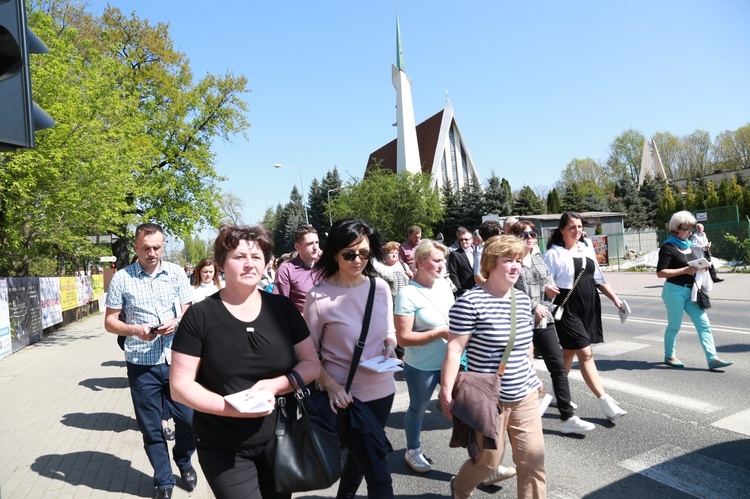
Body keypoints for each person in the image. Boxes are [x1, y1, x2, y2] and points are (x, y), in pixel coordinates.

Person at [170, 225, 321, 499]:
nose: (250, 264)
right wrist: (230, 408)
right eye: (239, 257)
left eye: (257, 256)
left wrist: (276, 385)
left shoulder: (283, 309)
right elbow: (180, 386)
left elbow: (311, 364)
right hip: (223, 445)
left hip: (281, 438)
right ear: (220, 264)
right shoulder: (200, 316)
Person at [440, 235, 545, 499]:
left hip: (525, 394)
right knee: (488, 462)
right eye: (508, 260)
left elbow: (526, 343)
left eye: (518, 260)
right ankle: (460, 489)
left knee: (532, 462)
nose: (515, 266)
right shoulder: (469, 302)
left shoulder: (521, 300)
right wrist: (446, 392)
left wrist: (532, 374)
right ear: (490, 264)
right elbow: (454, 349)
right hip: (489, 398)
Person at [304, 218, 398, 499]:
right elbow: (307, 353)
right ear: (335, 253)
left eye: (365, 253)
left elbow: (389, 331)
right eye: (349, 254)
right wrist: (329, 384)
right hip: (345, 398)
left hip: (383, 390)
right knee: (379, 472)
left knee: (361, 458)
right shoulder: (319, 297)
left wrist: (391, 346)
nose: (358, 260)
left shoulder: (379, 287)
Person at [104, 223, 196, 499]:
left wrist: (177, 321)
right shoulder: (122, 278)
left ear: (164, 246)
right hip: (141, 363)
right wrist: (135, 330)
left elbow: (188, 309)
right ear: (136, 247)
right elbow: (109, 322)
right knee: (151, 427)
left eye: (157, 247)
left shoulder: (177, 273)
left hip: (177, 359)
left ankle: (184, 460)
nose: (152, 253)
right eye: (146, 248)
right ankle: (163, 480)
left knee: (188, 420)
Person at [508, 221, 595, 434]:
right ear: (515, 238)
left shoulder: (539, 260)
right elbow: (507, 291)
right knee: (524, 371)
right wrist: (533, 305)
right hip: (519, 323)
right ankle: (515, 415)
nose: (529, 237)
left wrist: (544, 306)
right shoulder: (511, 262)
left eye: (532, 233)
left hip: (543, 322)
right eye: (524, 234)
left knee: (558, 367)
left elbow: (551, 288)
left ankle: (567, 416)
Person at [543, 212, 627, 421]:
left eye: (579, 227)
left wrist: (616, 300)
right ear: (561, 230)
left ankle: (558, 394)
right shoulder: (554, 254)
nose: (577, 231)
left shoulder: (587, 249)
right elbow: (544, 280)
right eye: (572, 227)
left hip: (588, 308)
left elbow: (599, 278)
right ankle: (605, 400)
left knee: (569, 353)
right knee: (585, 352)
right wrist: (546, 288)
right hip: (567, 308)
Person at [394, 239, 453, 473]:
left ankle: (481, 459)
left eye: (443, 260)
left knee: (468, 407)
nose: (442, 265)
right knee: (418, 408)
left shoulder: (444, 285)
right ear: (420, 262)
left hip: (452, 361)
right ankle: (412, 449)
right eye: (437, 260)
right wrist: (439, 333)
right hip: (422, 366)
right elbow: (403, 339)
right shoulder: (407, 294)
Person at [656, 211, 733, 370]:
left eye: (691, 230)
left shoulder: (689, 246)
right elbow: (660, 273)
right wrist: (685, 270)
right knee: (674, 325)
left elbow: (693, 266)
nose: (690, 233)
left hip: (692, 292)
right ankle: (669, 355)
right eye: (687, 230)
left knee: (704, 324)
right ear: (676, 229)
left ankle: (712, 358)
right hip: (674, 291)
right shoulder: (668, 247)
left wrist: (701, 267)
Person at [273, 225, 320, 313]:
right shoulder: (286, 271)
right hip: (303, 324)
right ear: (297, 247)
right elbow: (280, 306)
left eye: (317, 242)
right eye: (310, 244)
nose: (315, 247)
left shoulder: (325, 265)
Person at [447, 227, 476, 297]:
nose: (463, 241)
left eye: (466, 239)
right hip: (464, 289)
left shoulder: (477, 252)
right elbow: (453, 274)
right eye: (461, 240)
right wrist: (459, 291)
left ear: (472, 240)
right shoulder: (455, 254)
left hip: (479, 288)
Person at [473, 220, 502, 285]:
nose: (502, 237)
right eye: (500, 234)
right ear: (495, 236)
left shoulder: (502, 250)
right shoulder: (482, 253)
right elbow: (478, 277)